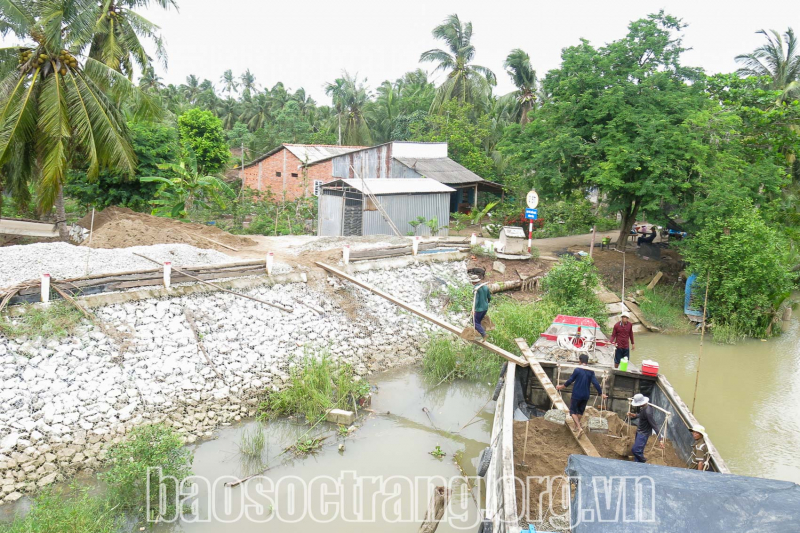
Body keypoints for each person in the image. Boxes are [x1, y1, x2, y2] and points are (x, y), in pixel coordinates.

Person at [557, 353, 608, 433]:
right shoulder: (591, 371)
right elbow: (595, 383)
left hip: (577, 394)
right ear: (587, 362)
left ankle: (579, 427)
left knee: (572, 411)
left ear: (580, 361)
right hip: (585, 395)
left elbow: (570, 380)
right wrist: (601, 393)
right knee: (580, 412)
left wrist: (561, 386)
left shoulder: (577, 370)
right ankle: (576, 427)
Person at [627, 394, 664, 463]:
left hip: (643, 434)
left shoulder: (648, 412)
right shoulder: (644, 408)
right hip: (639, 431)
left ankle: (644, 462)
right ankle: (637, 464)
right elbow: (642, 416)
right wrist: (634, 415)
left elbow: (654, 425)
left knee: (635, 450)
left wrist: (660, 439)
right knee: (638, 451)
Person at [471, 274, 491, 341]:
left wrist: (473, 309)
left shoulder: (476, 289)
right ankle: (479, 335)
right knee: (478, 321)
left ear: (473, 282)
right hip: (485, 308)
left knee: (474, 322)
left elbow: (476, 300)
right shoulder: (485, 287)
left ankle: (483, 334)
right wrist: (486, 304)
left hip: (479, 309)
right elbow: (489, 297)